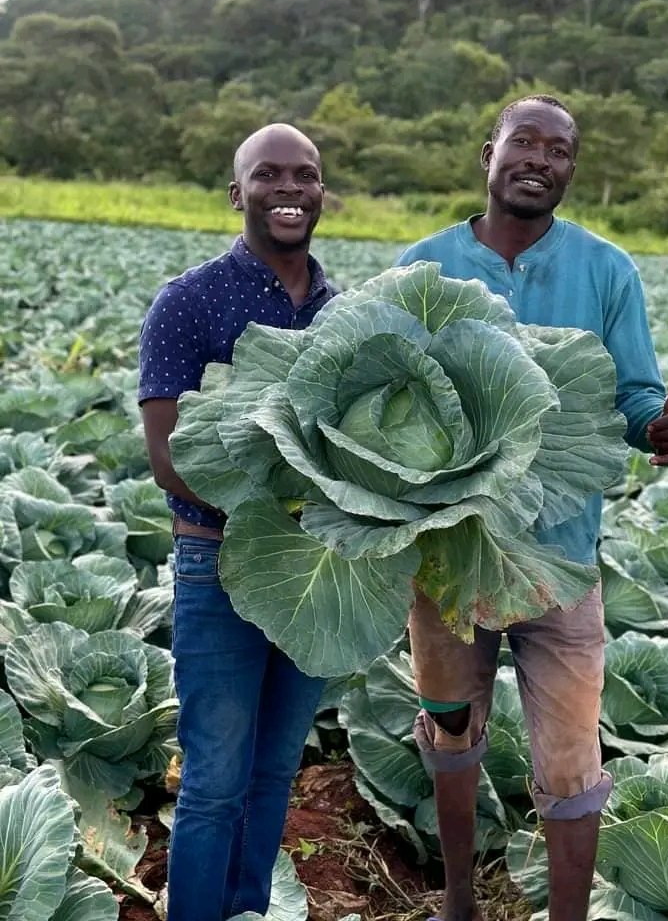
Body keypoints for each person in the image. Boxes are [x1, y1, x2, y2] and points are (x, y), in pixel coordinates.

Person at [395, 94, 668, 921]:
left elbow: (634, 396)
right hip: (449, 562)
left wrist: (664, 426)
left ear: (570, 169)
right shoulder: (421, 269)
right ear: (488, 154)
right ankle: (458, 902)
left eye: (559, 151)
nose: (539, 159)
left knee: (572, 762)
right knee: (451, 731)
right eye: (523, 142)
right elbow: (383, 396)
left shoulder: (606, 270)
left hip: (559, 561)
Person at [138, 123, 335, 921]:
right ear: (237, 192)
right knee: (215, 783)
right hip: (216, 565)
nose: (289, 189)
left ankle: (248, 910)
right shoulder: (187, 303)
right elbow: (169, 458)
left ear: (321, 191)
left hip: (318, 575)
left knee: (273, 774)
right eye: (268, 175)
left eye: (305, 175)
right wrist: (281, 513)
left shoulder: (341, 312)